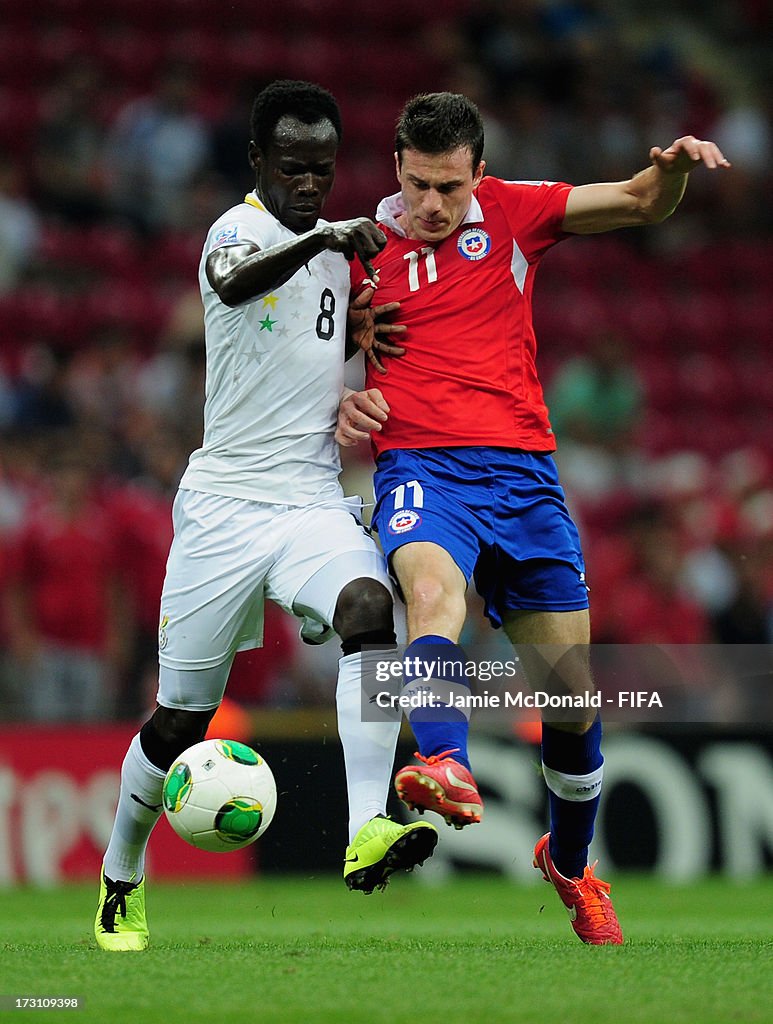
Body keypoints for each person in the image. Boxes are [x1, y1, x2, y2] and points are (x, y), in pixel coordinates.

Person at [337, 91, 730, 945]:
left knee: (571, 696)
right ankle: (442, 761)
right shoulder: (354, 249)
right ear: (394, 167)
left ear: (479, 174)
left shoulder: (514, 214)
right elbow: (300, 353)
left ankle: (572, 865)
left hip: (525, 478)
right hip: (421, 469)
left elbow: (632, 201)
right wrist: (342, 400)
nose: (431, 205)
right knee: (434, 598)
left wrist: (667, 175)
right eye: (416, 184)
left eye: (449, 186)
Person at [94, 80, 437, 953]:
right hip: (223, 509)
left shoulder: (334, 254)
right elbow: (240, 287)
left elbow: (316, 340)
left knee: (370, 608)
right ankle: (121, 874)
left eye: (322, 170)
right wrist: (320, 237)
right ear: (256, 162)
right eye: (293, 168)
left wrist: (365, 335)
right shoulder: (238, 231)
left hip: (308, 498)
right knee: (181, 719)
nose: (311, 185)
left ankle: (369, 826)